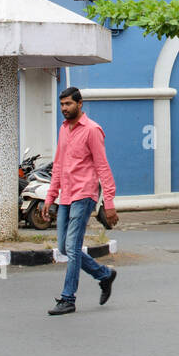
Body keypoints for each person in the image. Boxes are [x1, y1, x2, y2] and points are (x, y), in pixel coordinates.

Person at [44, 87, 118, 316]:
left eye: (68, 104)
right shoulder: (64, 129)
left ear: (80, 104)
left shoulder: (93, 130)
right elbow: (58, 165)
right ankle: (104, 275)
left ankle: (68, 298)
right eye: (62, 105)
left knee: (73, 248)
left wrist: (110, 202)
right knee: (64, 247)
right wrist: (50, 196)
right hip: (66, 194)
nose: (64, 108)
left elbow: (102, 166)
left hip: (84, 194)